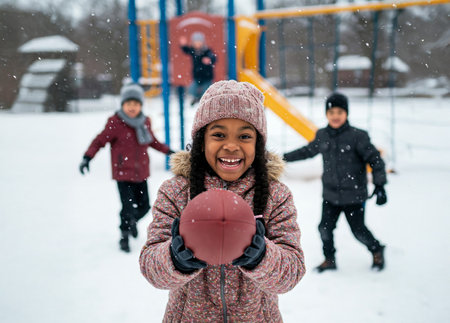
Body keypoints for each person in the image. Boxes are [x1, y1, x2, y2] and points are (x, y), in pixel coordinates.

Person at [140, 80, 305, 321]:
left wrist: (262, 256)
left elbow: (291, 272)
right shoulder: (175, 192)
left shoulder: (275, 196)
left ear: (258, 145)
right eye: (218, 134)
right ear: (201, 140)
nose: (231, 145)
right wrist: (174, 258)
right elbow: (150, 267)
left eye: (245, 136)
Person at [284, 92, 387, 272]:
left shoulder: (358, 136)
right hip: (330, 194)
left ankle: (377, 249)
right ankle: (329, 259)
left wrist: (380, 185)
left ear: (346, 113)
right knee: (324, 228)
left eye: (339, 112)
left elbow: (376, 160)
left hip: (354, 195)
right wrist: (282, 158)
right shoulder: (322, 135)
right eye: (331, 112)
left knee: (359, 231)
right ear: (327, 114)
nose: (335, 116)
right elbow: (307, 151)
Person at [79, 83, 173, 253]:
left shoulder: (144, 122)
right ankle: (124, 235)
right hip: (123, 173)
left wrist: (169, 152)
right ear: (122, 105)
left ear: (140, 106)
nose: (132, 107)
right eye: (129, 104)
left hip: (141, 173)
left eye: (136, 104)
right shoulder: (115, 123)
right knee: (128, 208)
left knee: (144, 207)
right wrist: (87, 157)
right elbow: (99, 141)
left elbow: (152, 141)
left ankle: (132, 223)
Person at [179, 32, 217, 106]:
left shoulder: (207, 51)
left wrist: (209, 59)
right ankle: (196, 98)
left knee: (206, 90)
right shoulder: (193, 51)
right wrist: (183, 45)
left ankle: (202, 100)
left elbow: (213, 57)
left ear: (202, 42)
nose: (197, 44)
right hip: (197, 75)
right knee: (191, 90)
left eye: (199, 42)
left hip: (207, 76)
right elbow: (186, 50)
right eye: (196, 42)